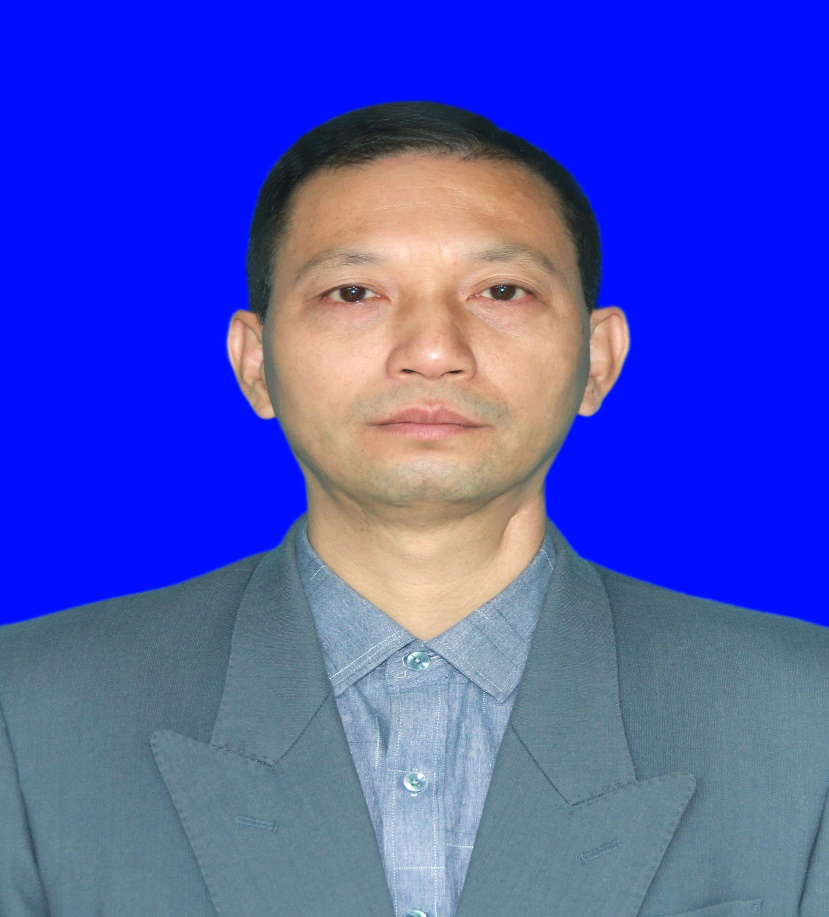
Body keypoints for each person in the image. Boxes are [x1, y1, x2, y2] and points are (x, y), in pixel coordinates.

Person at [0, 102, 826, 917]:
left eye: (500, 290)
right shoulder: (29, 711)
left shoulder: (803, 717)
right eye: (354, 291)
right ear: (254, 363)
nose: (432, 351)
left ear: (597, 359)